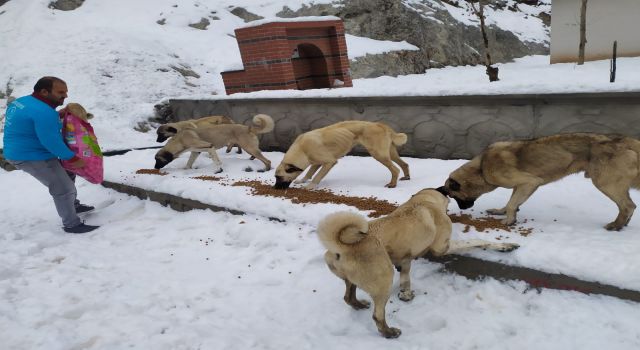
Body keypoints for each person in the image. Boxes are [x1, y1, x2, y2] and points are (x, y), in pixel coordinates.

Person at [3, 76, 99, 234]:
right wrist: (73, 158)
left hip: (24, 149)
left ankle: (72, 204)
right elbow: (51, 141)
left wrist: (57, 115)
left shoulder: (22, 102)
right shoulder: (43, 112)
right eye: (61, 92)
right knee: (63, 188)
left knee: (68, 173)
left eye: (66, 91)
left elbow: (32, 121)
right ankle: (72, 224)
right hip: (30, 156)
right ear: (44, 92)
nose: (66, 96)